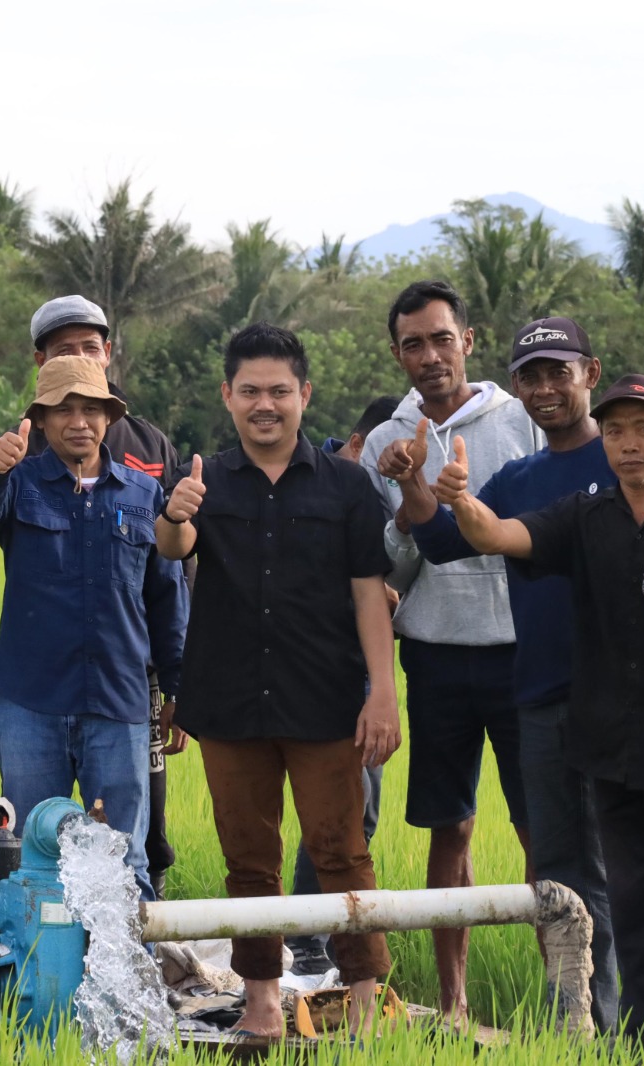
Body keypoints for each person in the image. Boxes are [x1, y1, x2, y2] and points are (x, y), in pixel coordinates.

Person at [430, 374, 644, 1056]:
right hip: (609, 742)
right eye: (616, 430)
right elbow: (498, 535)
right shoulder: (584, 514)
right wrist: (461, 502)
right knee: (629, 904)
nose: (628, 444)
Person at [155, 323, 400, 1041]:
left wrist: (383, 692)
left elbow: (369, 593)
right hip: (230, 702)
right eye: (251, 391)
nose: (266, 404)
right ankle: (261, 1000)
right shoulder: (205, 480)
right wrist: (175, 513)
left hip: (324, 699)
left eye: (280, 391)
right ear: (228, 396)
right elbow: (174, 546)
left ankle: (363, 999)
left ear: (304, 395)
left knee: (341, 851)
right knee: (248, 858)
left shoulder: (348, 487)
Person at [0, 296, 186, 898]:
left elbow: (166, 595)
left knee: (124, 859)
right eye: (62, 410)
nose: (78, 422)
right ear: (40, 419)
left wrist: (179, 687)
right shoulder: (16, 482)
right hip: (32, 702)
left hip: (118, 703)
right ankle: (36, 960)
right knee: (31, 855)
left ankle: (128, 963)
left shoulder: (142, 495)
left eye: (91, 409)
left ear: (108, 416)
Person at [404, 317, 620, 1029]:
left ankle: (636, 1024)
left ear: (590, 374)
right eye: (531, 376)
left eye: (560, 371)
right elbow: (443, 543)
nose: (546, 388)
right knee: (558, 872)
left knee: (625, 867)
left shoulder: (626, 459)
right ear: (517, 387)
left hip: (625, 700)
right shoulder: (521, 478)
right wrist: (421, 487)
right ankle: (578, 1026)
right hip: (542, 697)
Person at [360, 280, 541, 1023]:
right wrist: (411, 501)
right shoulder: (386, 440)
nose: (430, 356)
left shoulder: (523, 420)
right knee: (450, 826)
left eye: (442, 339)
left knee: (543, 827)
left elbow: (548, 535)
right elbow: (389, 571)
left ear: (468, 340)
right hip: (435, 656)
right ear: (396, 353)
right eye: (414, 344)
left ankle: (571, 998)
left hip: (525, 654)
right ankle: (454, 1003)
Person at [285, 394, 398, 977]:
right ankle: (305, 938)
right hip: (307, 669)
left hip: (362, 668)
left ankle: (321, 939)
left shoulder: (377, 488)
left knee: (357, 812)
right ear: (358, 444)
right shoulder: (314, 483)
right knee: (333, 810)